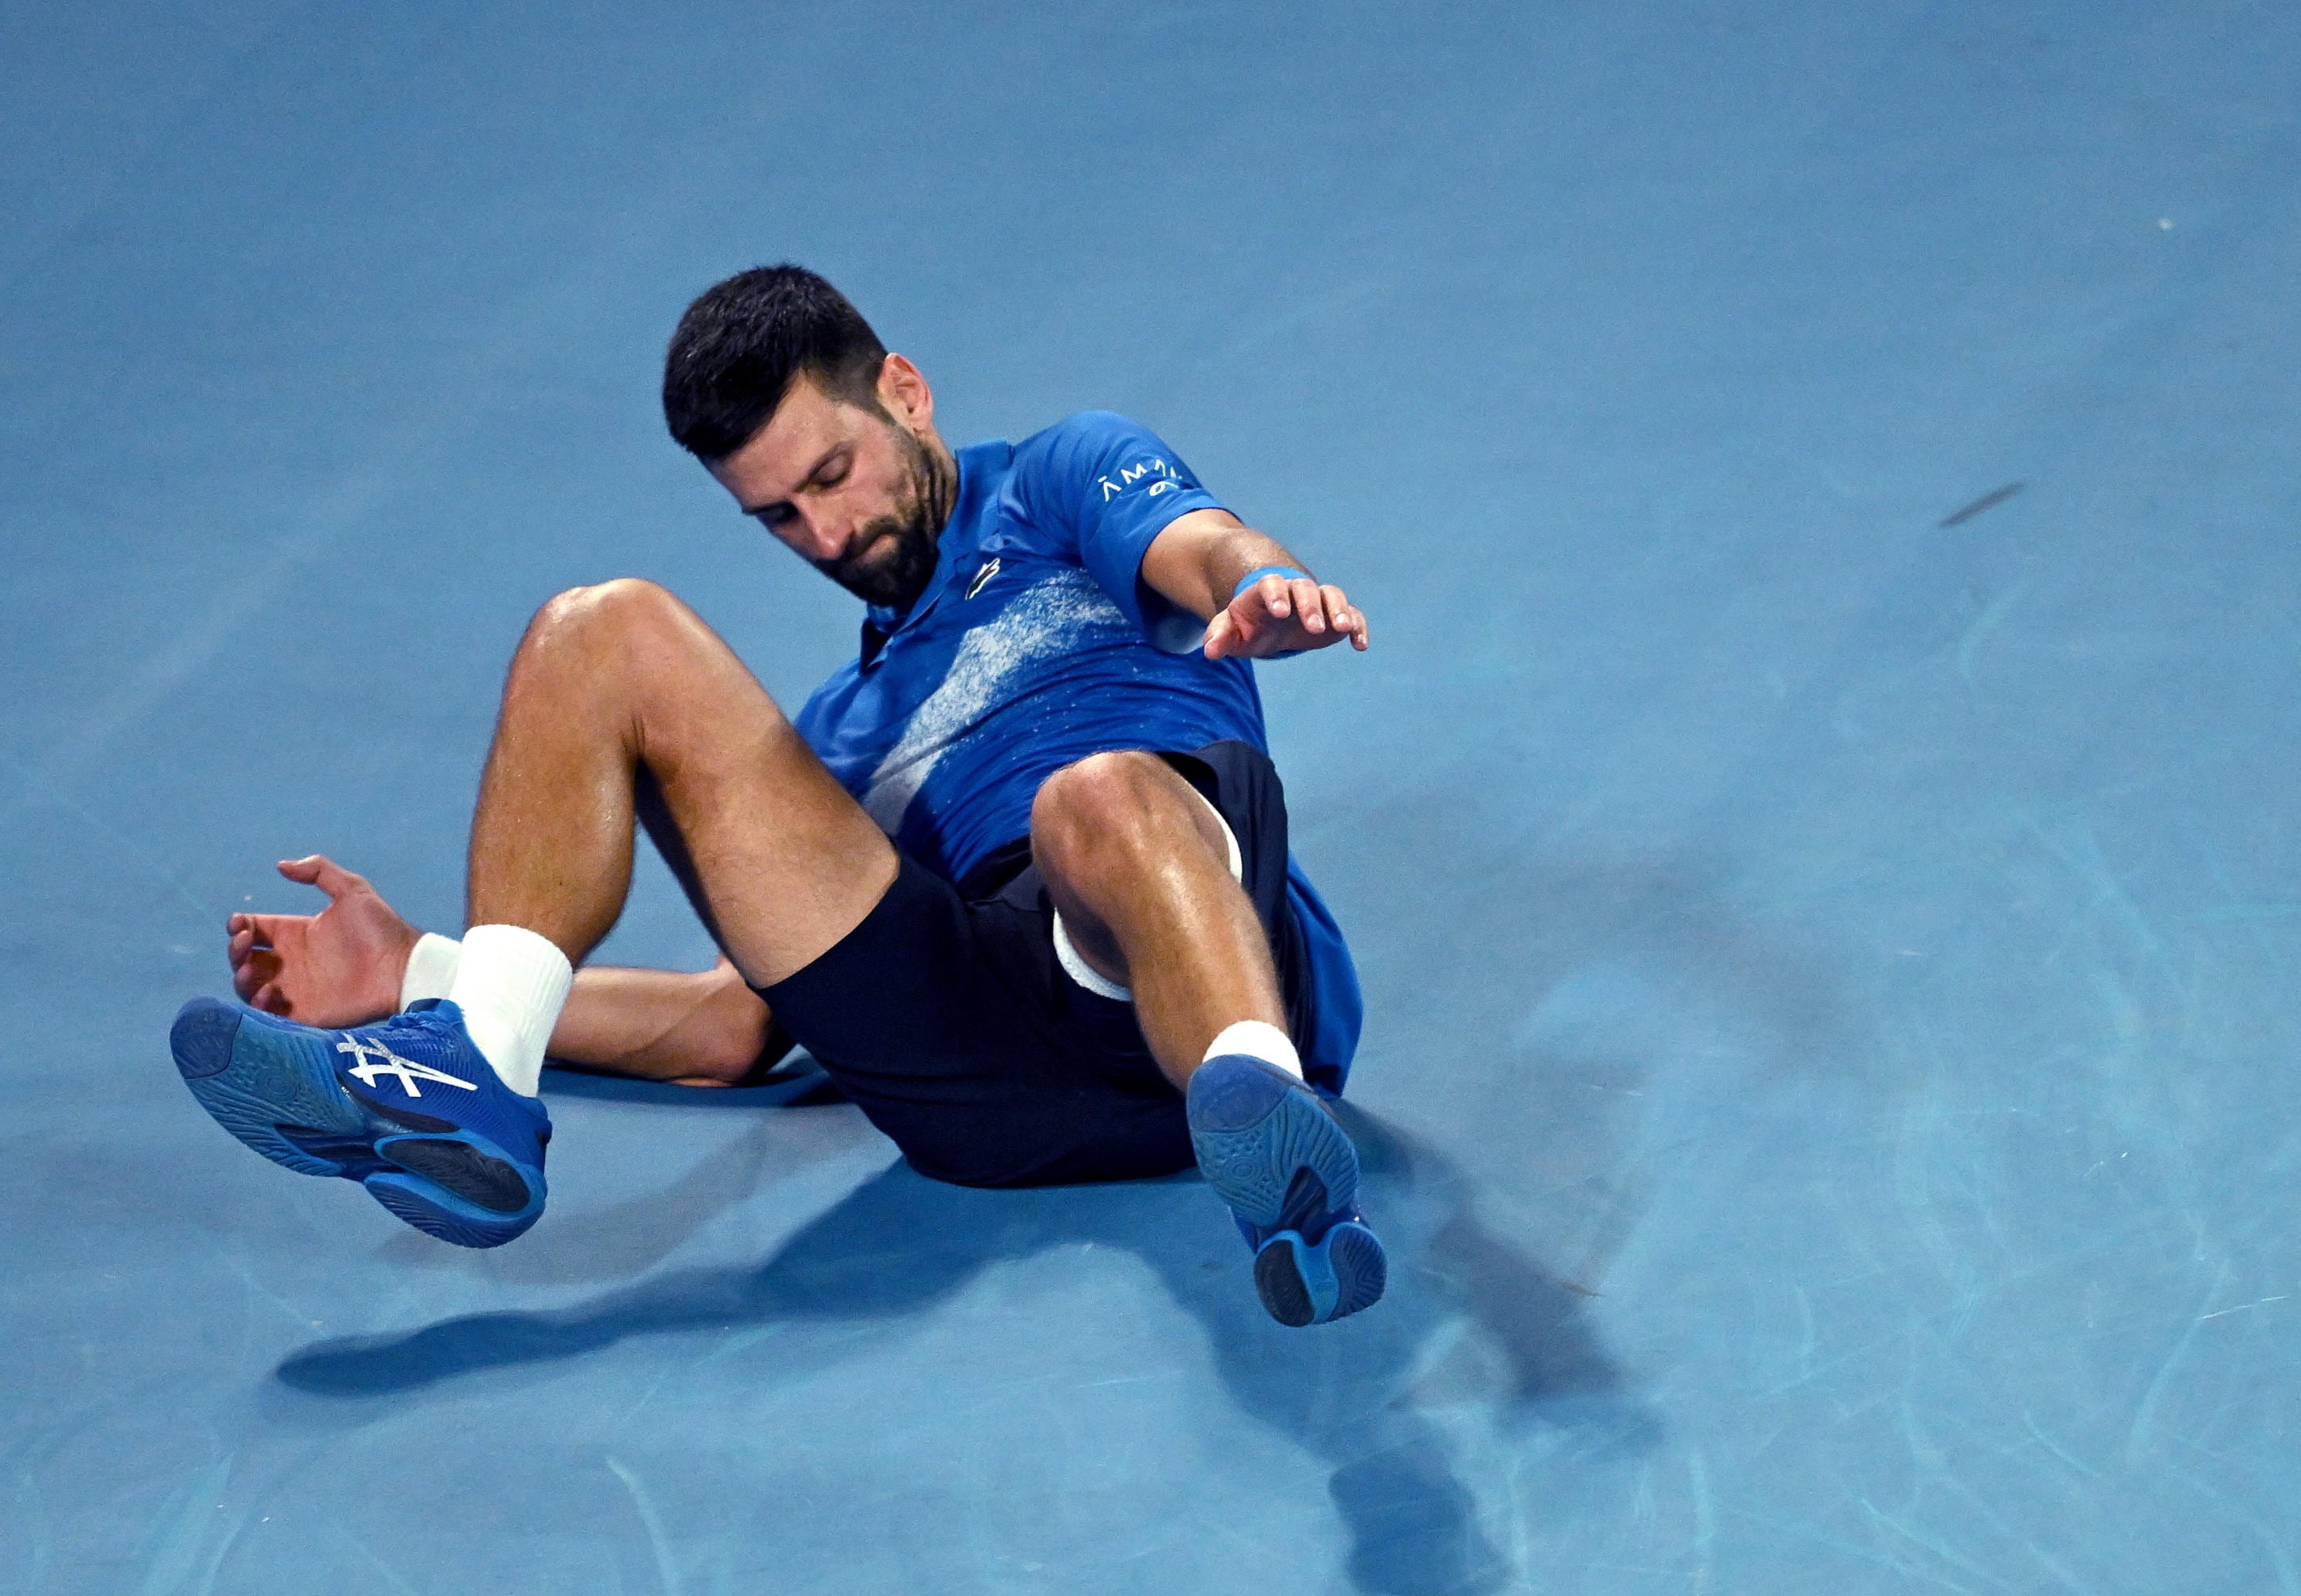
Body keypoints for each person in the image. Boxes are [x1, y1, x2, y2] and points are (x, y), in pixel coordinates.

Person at [164, 265, 1385, 1327]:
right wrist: (421, 969)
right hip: (999, 1091)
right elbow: (734, 1030)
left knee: (1097, 798)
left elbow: (1206, 547)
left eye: (836, 474)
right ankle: (475, 1055)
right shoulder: (839, 735)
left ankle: (1266, 1133)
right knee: (605, 630)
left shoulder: (1055, 484)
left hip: (1170, 938)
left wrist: (1268, 584)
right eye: (780, 517)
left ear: (904, 391)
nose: (829, 531)